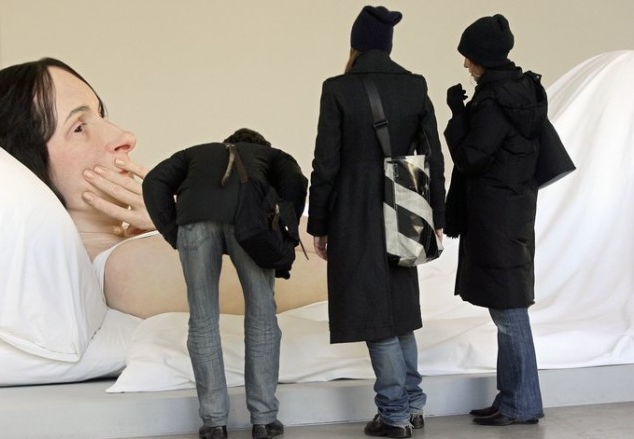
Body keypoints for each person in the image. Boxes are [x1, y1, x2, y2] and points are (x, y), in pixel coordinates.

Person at [307, 6, 445, 438]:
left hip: (355, 214)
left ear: (356, 44)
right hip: (405, 208)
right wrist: (436, 216)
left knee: (374, 313)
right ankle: (413, 405)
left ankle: (394, 414)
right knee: (399, 312)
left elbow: (325, 163)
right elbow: (435, 157)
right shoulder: (414, 85)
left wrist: (319, 224)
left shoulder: (338, 88)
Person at [0, 57, 193, 318]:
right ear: (28, 166)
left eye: (100, 115)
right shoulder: (122, 267)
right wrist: (188, 221)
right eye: (78, 128)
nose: (126, 138)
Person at [142, 128, 307, 439]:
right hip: (251, 222)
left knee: (202, 320)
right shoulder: (272, 156)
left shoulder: (193, 153)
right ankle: (264, 420)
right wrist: (283, 227)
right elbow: (296, 183)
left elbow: (153, 181)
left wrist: (172, 230)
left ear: (226, 143)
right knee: (261, 316)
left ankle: (214, 422)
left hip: (194, 220)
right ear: (260, 148)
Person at [443, 14, 546, 426]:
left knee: (509, 313)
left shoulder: (493, 100)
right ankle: (510, 398)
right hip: (513, 212)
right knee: (507, 310)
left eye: (469, 57)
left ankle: (523, 404)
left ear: (482, 57)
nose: (466, 64)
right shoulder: (522, 92)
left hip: (494, 217)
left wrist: (457, 116)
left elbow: (472, 157)